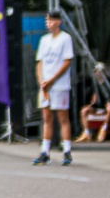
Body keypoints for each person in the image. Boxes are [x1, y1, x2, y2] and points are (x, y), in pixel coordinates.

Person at [32, 10, 77, 166]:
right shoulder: (44, 40)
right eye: (47, 21)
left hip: (59, 85)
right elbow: (39, 62)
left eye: (51, 20)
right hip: (45, 86)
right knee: (46, 117)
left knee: (62, 117)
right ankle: (45, 152)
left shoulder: (65, 38)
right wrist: (42, 81)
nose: (48, 23)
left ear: (58, 22)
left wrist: (52, 80)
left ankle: (67, 151)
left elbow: (67, 61)